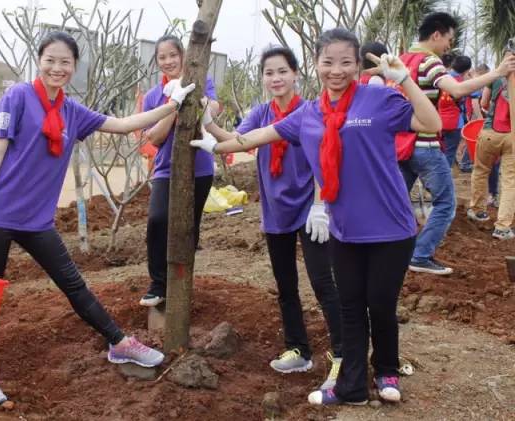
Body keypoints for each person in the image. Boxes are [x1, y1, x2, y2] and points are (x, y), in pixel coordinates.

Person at [191, 28, 441, 406]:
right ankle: (351, 387)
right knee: (351, 307)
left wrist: (404, 79)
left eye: (345, 62)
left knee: (380, 304)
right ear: (316, 64)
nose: (336, 70)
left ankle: (387, 369)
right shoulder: (308, 115)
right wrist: (212, 140)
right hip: (345, 231)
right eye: (328, 62)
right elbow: (254, 138)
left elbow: (431, 123)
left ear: (357, 65)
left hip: (390, 227)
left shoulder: (380, 99)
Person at [0, 31, 196, 406]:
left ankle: (118, 342)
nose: (57, 68)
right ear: (39, 60)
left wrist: (172, 104)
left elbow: (121, 124)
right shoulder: (17, 97)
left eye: (65, 62)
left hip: (36, 220)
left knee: (73, 283)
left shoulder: (72, 111)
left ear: (73, 67)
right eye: (50, 60)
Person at [203, 46, 343, 389]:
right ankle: (298, 349)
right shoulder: (260, 113)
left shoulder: (310, 112)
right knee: (285, 286)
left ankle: (344, 354)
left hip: (311, 209)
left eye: (282, 71)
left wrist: (320, 203)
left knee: (323, 283)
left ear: (295, 74)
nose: (276, 78)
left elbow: (327, 159)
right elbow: (237, 140)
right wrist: (206, 121)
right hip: (277, 210)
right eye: (269, 73)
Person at [399, 12, 515, 275]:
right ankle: (420, 254)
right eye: (449, 40)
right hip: (426, 145)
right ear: (436, 34)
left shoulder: (403, 60)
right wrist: (497, 72)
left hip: (402, 144)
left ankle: (390, 249)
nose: (448, 47)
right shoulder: (430, 61)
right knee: (446, 204)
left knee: (396, 198)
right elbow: (458, 89)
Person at [138, 35, 220, 306]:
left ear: (183, 56)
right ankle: (158, 283)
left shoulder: (201, 81)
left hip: (200, 169)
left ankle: (183, 282)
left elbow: (214, 109)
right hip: (165, 169)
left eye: (173, 55)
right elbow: (154, 138)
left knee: (189, 229)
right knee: (158, 220)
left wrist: (197, 98)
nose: (168, 61)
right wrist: (173, 105)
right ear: (157, 61)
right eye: (162, 57)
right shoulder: (153, 96)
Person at [468, 59, 515, 240]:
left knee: (480, 171)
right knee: (510, 180)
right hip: (512, 136)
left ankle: (478, 210)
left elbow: (484, 102)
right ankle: (503, 227)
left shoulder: (496, 75)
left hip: (489, 132)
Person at [440, 55, 472, 167]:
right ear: (467, 70)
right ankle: (443, 178)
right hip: (454, 123)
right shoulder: (462, 83)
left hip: (436, 121)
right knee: (449, 153)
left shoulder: (439, 78)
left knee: (438, 152)